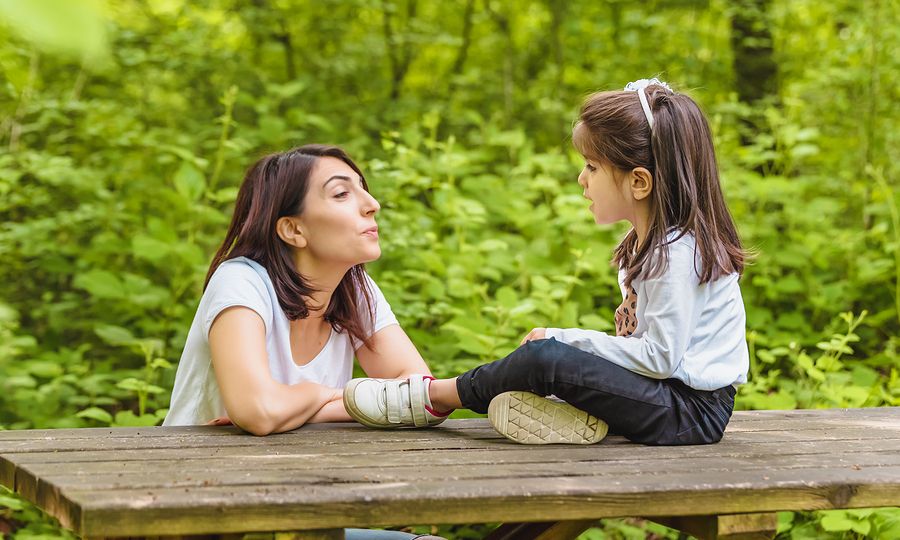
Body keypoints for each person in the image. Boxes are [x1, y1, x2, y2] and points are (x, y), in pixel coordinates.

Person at [343, 78, 750, 446]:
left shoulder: (676, 253)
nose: (582, 179)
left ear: (639, 181)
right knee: (553, 361)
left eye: (592, 166)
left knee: (547, 359)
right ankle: (572, 412)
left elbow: (660, 358)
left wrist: (566, 339)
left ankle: (434, 398)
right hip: (667, 398)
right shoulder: (651, 243)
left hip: (691, 412)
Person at [162, 144, 448, 540]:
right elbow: (260, 411)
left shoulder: (354, 287)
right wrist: (338, 397)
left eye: (363, 189)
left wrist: (303, 402)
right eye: (342, 193)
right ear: (293, 229)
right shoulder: (241, 282)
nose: (372, 204)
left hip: (297, 509)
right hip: (195, 513)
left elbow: (417, 390)